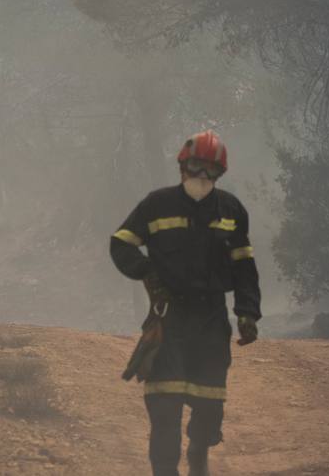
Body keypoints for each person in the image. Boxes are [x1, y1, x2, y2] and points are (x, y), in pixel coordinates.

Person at [109, 130, 261, 476]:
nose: (202, 176)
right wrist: (147, 273)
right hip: (169, 317)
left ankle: (198, 450)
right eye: (196, 166)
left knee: (209, 405)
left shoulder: (232, 210)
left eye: (211, 169)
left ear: (220, 173)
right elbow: (121, 243)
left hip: (212, 320)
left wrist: (248, 313)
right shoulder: (156, 205)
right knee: (164, 407)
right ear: (182, 165)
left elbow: (244, 266)